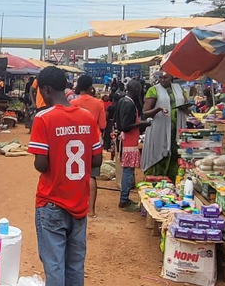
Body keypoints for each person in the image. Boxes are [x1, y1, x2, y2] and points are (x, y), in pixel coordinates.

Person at [28, 67, 102, 286]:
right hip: (79, 202)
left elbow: (41, 165)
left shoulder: (43, 118)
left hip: (52, 201)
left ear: (46, 89)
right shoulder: (87, 117)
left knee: (54, 267)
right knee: (75, 265)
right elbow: (96, 161)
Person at [69, 75, 106, 218]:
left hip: (75, 141)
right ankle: (91, 210)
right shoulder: (98, 103)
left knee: (74, 173)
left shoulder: (73, 102)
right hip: (94, 140)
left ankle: (75, 207)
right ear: (91, 87)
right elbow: (102, 125)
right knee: (91, 175)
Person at [141, 72, 187, 179]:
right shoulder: (153, 90)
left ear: (172, 77)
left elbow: (185, 104)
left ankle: (173, 182)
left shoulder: (178, 88)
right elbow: (145, 112)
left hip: (176, 131)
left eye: (165, 77)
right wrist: (158, 109)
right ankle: (156, 181)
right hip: (159, 130)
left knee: (175, 156)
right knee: (159, 156)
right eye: (160, 77)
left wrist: (186, 108)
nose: (162, 80)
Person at [115, 80, 152, 211]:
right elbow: (126, 126)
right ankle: (124, 200)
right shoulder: (129, 104)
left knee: (128, 170)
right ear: (136, 90)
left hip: (127, 140)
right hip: (129, 141)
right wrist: (142, 124)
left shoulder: (123, 101)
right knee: (128, 171)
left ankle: (125, 198)